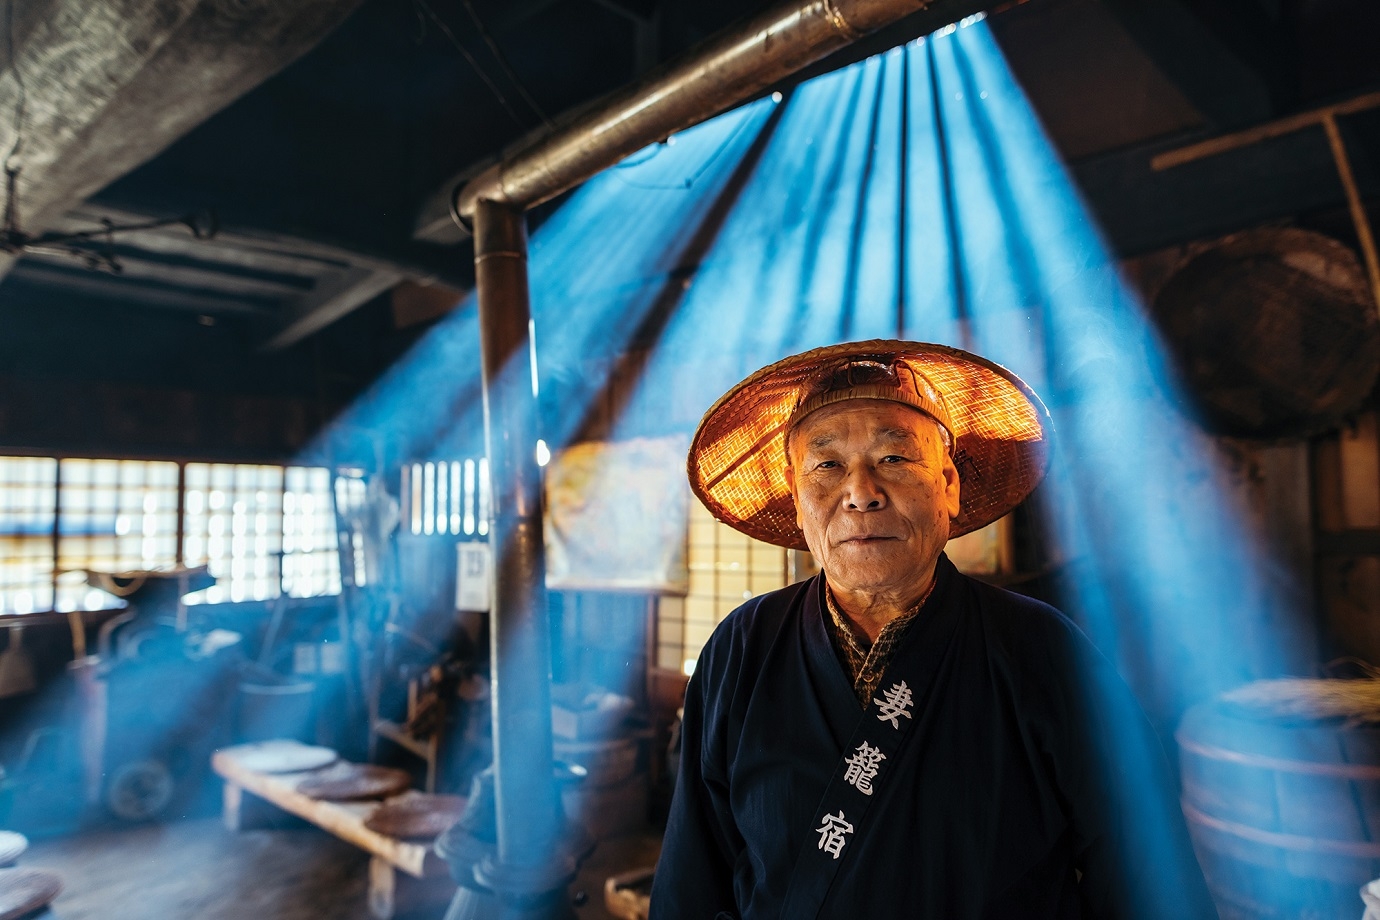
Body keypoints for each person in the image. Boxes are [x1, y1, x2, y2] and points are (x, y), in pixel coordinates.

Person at [649, 341, 1217, 920]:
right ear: (797, 500)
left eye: (894, 459)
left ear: (949, 484)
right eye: (827, 465)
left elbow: (1148, 875)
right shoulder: (742, 647)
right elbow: (694, 877)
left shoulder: (1040, 647)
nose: (861, 492)